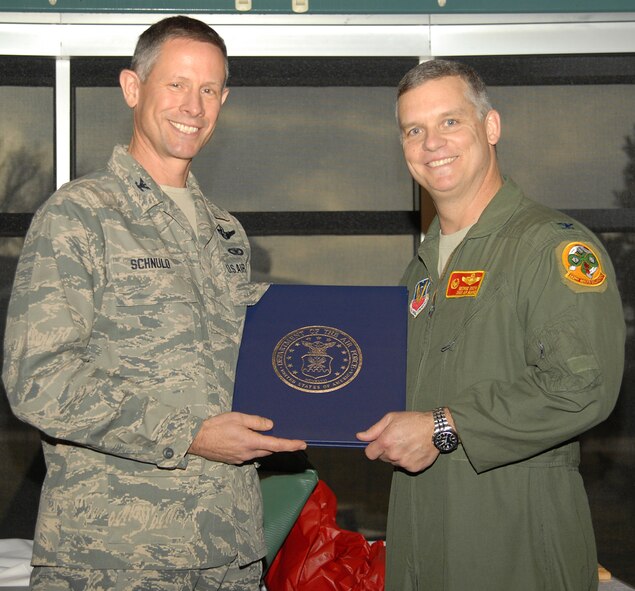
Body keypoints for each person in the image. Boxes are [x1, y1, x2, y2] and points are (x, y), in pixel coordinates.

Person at [2, 15, 306, 591]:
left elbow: (248, 367)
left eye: (209, 89)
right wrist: (187, 432)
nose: (194, 105)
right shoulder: (79, 216)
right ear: (133, 88)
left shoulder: (226, 234)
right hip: (115, 557)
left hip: (230, 553)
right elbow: (37, 378)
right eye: (176, 84)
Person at [357, 59, 625, 591]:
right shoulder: (420, 269)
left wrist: (443, 426)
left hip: (515, 543)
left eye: (450, 121)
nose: (432, 142)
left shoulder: (548, 245)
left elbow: (582, 386)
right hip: (420, 538)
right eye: (415, 129)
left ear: (491, 127)